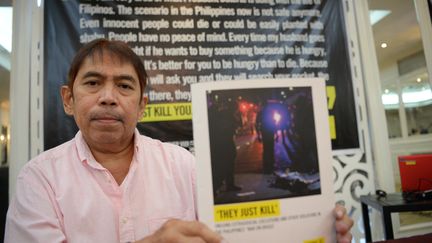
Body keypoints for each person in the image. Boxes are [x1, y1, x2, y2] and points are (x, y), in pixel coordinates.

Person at [5, 39, 353, 243]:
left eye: (125, 86)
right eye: (93, 83)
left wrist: (313, 230)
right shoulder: (39, 179)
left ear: (142, 106)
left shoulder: (183, 165)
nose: (108, 97)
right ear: (68, 99)